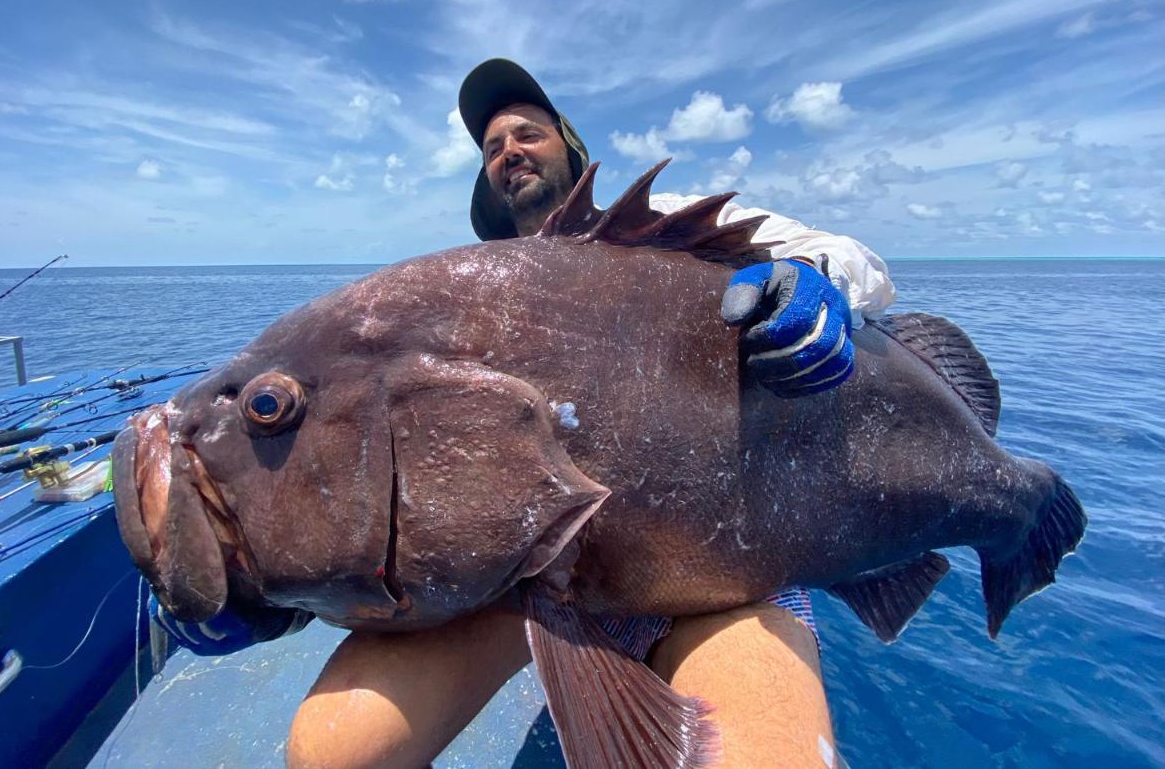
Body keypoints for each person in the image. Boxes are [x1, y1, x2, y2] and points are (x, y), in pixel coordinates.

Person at [158, 59, 896, 768]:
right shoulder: (466, 288)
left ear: (569, 147)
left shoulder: (671, 224)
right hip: (533, 580)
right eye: (492, 147)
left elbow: (850, 258)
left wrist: (811, 280)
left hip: (729, 548)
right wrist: (269, 581)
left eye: (528, 132)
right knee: (331, 752)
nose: (510, 149)